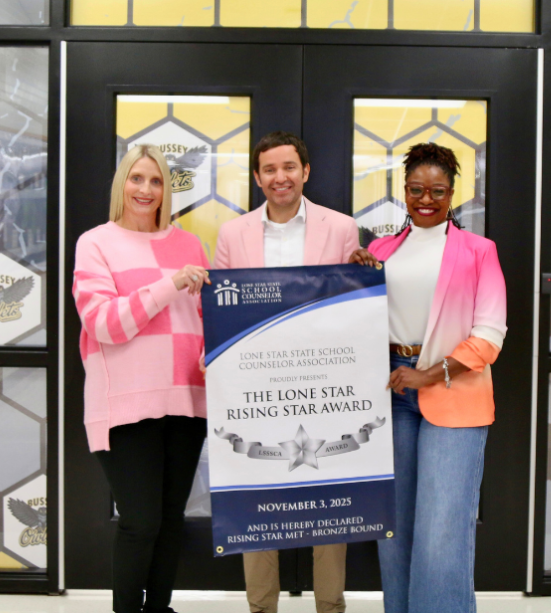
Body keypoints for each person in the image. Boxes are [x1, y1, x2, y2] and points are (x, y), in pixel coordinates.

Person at [349, 143, 507, 613]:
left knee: (441, 535)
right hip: (391, 399)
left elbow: (489, 335)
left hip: (454, 395)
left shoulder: (479, 251)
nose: (426, 199)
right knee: (395, 532)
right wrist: (353, 281)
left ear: (452, 193)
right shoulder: (380, 250)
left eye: (437, 190)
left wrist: (429, 375)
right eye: (416, 189)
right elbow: (358, 322)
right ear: (404, 190)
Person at [214, 131, 359, 613]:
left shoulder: (340, 228)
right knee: (256, 496)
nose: (281, 177)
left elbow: (352, 308)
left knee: (329, 503)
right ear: (257, 178)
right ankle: (261, 608)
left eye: (289, 167)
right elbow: (216, 311)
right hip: (255, 387)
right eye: (270, 169)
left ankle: (330, 606)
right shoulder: (232, 234)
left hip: (324, 386)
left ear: (306, 171)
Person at [73, 144, 211, 613]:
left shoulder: (189, 245)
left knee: (171, 519)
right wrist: (168, 284)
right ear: (121, 184)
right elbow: (104, 325)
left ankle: (160, 609)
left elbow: (201, 322)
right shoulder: (96, 242)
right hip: (126, 403)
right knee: (140, 522)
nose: (146, 190)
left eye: (156, 181)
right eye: (137, 179)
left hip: (188, 400)